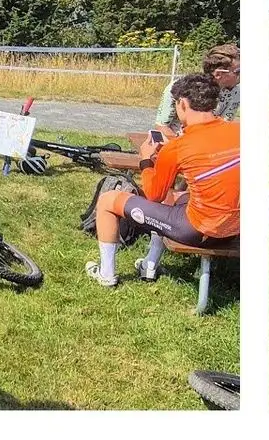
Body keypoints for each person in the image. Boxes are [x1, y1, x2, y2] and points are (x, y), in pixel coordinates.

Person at [90, 73, 239, 288]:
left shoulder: (177, 146)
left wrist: (145, 161)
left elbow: (154, 195)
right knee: (176, 197)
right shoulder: (240, 130)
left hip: (199, 231)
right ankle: (149, 264)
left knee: (107, 201)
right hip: (235, 229)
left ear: (183, 104)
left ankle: (106, 274)